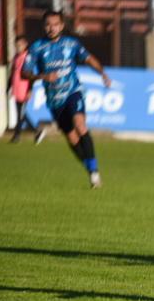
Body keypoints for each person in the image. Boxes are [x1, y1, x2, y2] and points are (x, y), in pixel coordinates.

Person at [22, 10, 112, 189]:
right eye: (48, 24)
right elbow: (25, 73)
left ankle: (94, 173)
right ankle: (90, 168)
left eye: (55, 24)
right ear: (44, 26)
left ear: (62, 26)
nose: (51, 28)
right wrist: (43, 77)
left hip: (73, 91)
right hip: (55, 100)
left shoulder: (72, 44)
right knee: (72, 140)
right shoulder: (37, 47)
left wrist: (102, 72)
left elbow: (88, 59)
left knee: (80, 125)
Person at [9, 35, 46, 144]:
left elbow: (31, 76)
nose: (18, 47)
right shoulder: (16, 57)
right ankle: (38, 131)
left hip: (24, 89)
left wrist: (30, 90)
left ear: (25, 45)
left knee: (21, 114)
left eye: (20, 45)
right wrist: (9, 87)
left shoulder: (28, 57)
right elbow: (12, 74)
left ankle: (17, 136)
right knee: (21, 114)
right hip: (17, 89)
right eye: (16, 45)